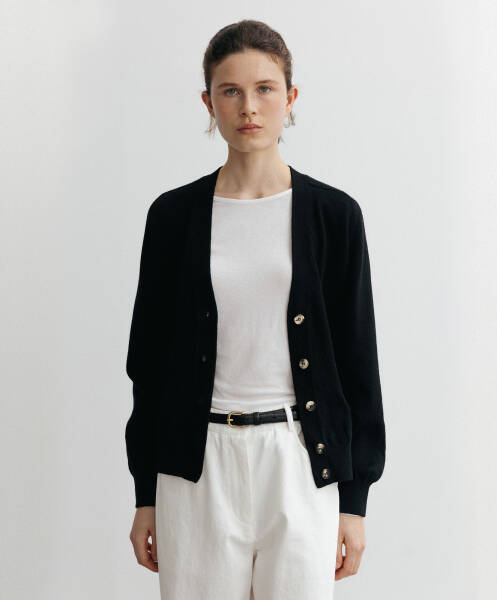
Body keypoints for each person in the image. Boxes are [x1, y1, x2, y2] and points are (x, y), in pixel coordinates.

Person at [126, 19, 386, 600]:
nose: (248, 106)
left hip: (300, 460)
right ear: (208, 103)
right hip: (197, 464)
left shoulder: (335, 216)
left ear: (290, 98)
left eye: (265, 88)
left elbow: (358, 364)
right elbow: (148, 363)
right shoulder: (172, 217)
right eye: (231, 90)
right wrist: (146, 494)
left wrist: (354, 502)